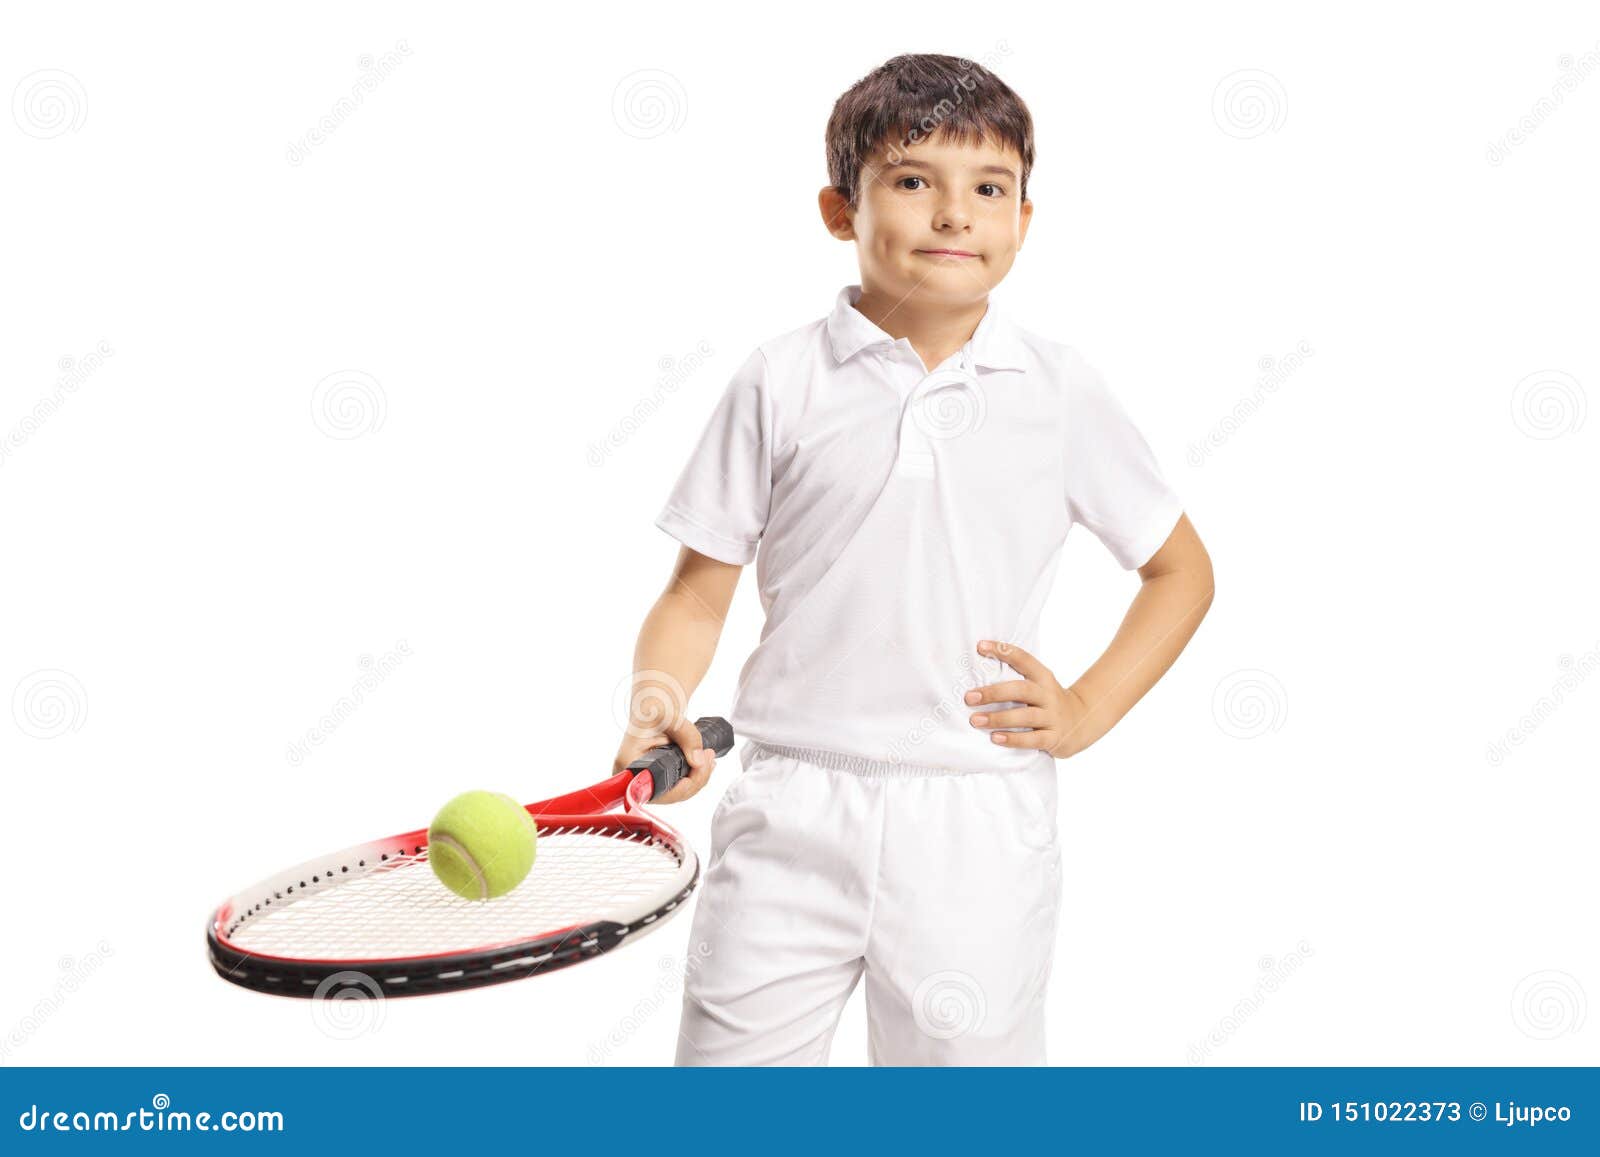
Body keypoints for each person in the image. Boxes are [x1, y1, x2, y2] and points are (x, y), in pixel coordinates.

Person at [611, 52, 1215, 1065]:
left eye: (988, 189)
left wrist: (1085, 709)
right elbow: (695, 590)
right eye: (910, 181)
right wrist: (653, 696)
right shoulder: (779, 379)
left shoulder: (1059, 389)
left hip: (976, 815)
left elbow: (1180, 571)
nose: (954, 214)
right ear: (837, 210)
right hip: (789, 804)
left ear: (1025, 218)